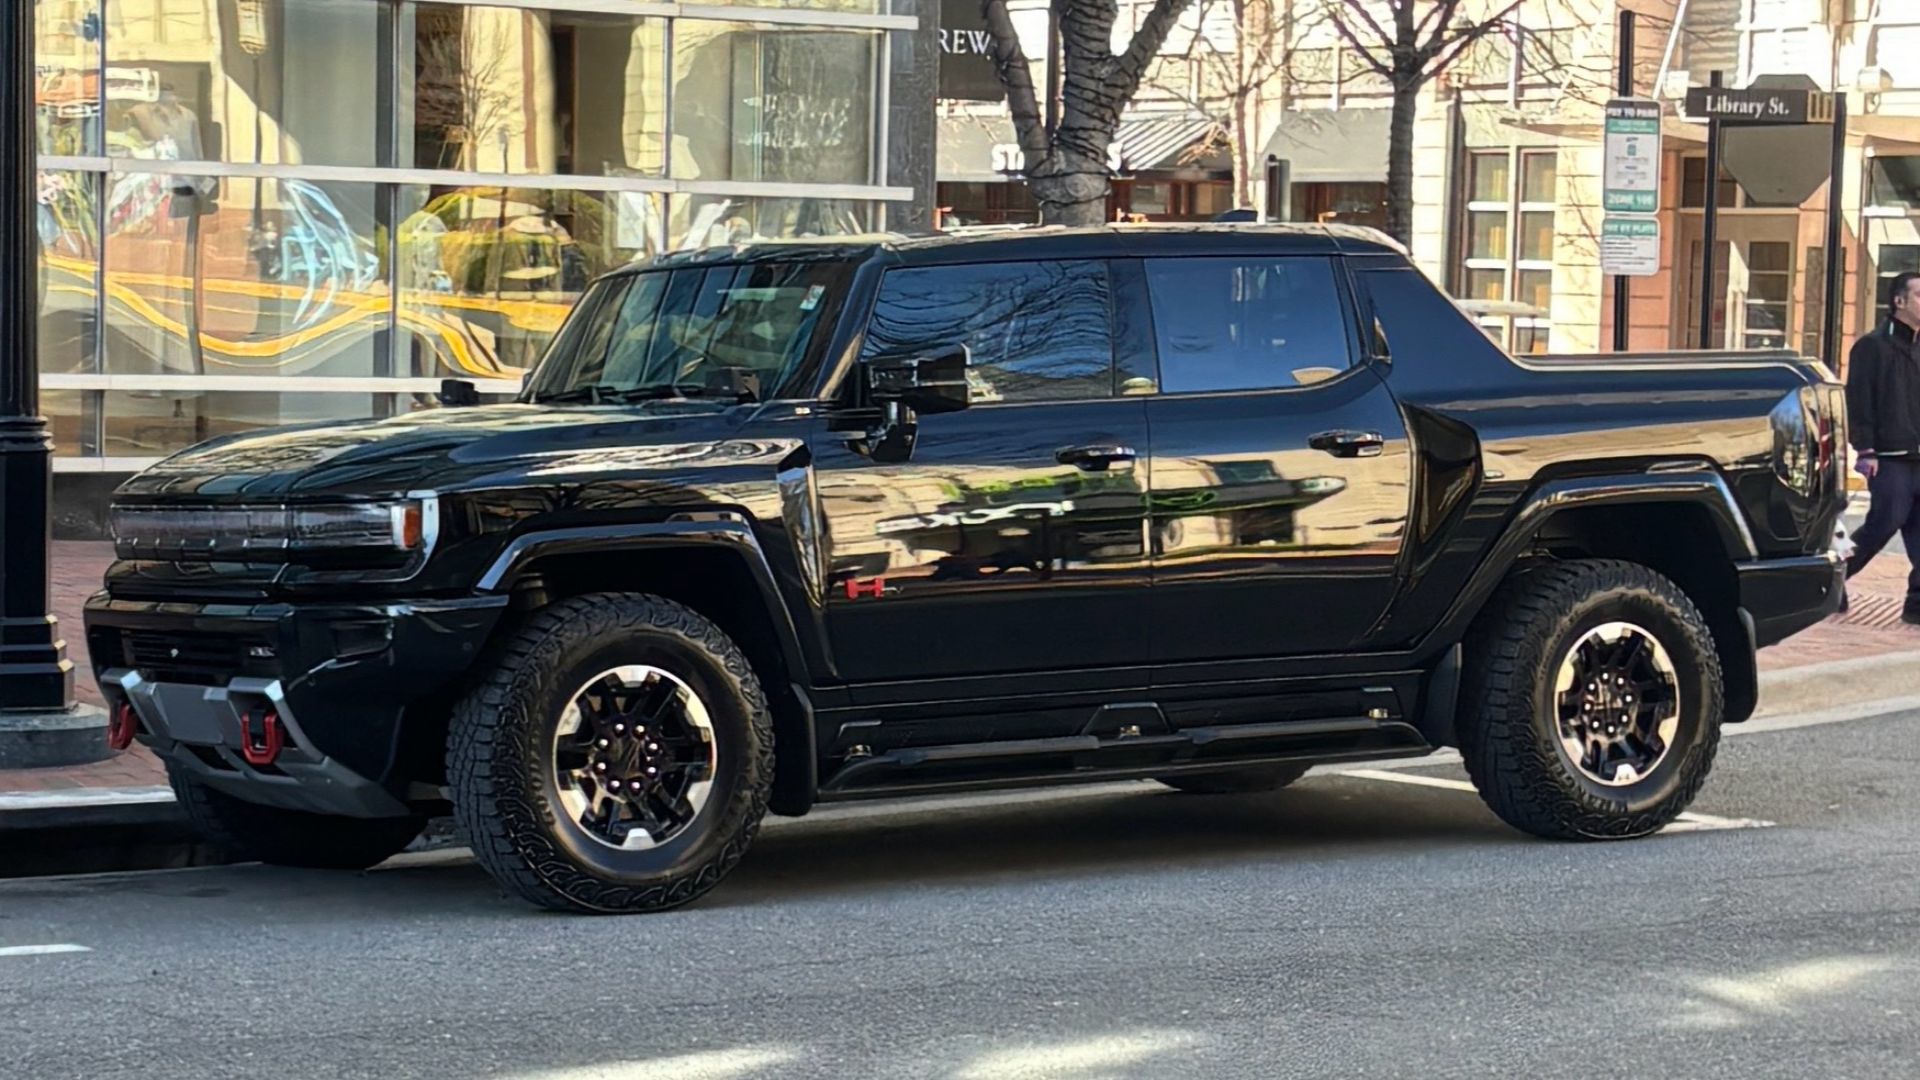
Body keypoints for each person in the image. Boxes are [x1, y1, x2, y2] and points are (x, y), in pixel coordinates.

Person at [1844, 270, 1920, 624]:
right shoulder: (1872, 347)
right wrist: (1866, 450)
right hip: (1890, 457)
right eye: (1919, 295)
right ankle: (1828, 582)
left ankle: (1917, 605)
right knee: (1882, 525)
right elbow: (1858, 402)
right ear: (1899, 301)